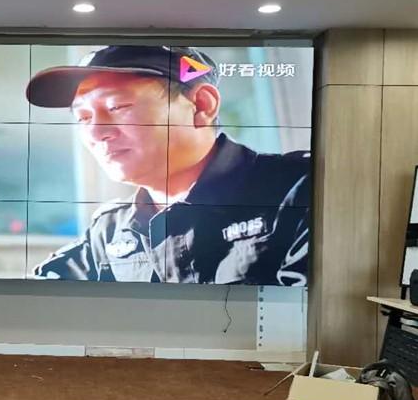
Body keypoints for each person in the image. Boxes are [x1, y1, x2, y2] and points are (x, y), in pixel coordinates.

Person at [25, 45, 309, 285]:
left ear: (202, 105)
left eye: (117, 107)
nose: (97, 133)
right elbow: (35, 304)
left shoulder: (301, 190)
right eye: (84, 118)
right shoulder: (111, 229)